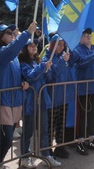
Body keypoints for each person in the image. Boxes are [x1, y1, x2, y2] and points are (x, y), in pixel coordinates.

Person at [0, 22, 36, 168]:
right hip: (4, 99)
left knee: (7, 138)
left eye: (12, 33)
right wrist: (27, 33)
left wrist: (25, 82)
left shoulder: (14, 56)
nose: (12, 35)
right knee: (7, 137)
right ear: (1, 36)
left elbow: (18, 73)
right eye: (9, 33)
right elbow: (11, 50)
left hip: (15, 99)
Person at [19, 39, 61, 168]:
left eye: (35, 45)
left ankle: (46, 155)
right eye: (31, 45)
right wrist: (43, 67)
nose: (34, 47)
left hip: (42, 99)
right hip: (30, 101)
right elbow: (31, 77)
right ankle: (25, 156)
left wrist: (49, 70)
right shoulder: (23, 63)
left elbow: (49, 79)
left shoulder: (37, 61)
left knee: (44, 130)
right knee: (28, 131)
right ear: (25, 48)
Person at [70, 28, 94, 156]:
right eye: (85, 35)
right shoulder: (77, 51)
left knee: (92, 115)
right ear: (80, 37)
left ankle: (91, 138)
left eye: (89, 36)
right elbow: (82, 63)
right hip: (83, 88)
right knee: (82, 115)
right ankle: (80, 140)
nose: (88, 38)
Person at [42, 34, 72, 159]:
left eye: (63, 44)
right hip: (52, 98)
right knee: (50, 126)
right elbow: (51, 77)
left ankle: (60, 146)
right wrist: (62, 62)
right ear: (53, 44)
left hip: (63, 97)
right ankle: (47, 150)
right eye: (59, 44)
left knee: (61, 124)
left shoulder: (62, 57)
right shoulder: (46, 59)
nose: (62, 46)